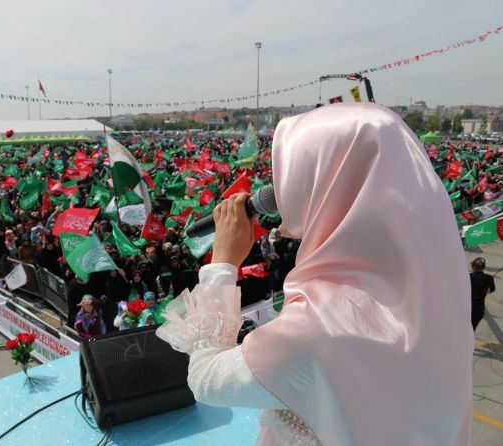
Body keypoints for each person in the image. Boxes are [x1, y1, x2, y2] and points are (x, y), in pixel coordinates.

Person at [157, 103, 473, 445]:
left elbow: (206, 379)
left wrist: (222, 264)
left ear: (328, 183)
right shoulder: (440, 294)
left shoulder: (319, 325)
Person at [470, 257, 495, 331]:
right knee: (472, 328)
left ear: (473, 267)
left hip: (468, 307)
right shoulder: (489, 278)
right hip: (479, 309)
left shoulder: (468, 277)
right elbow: (492, 289)